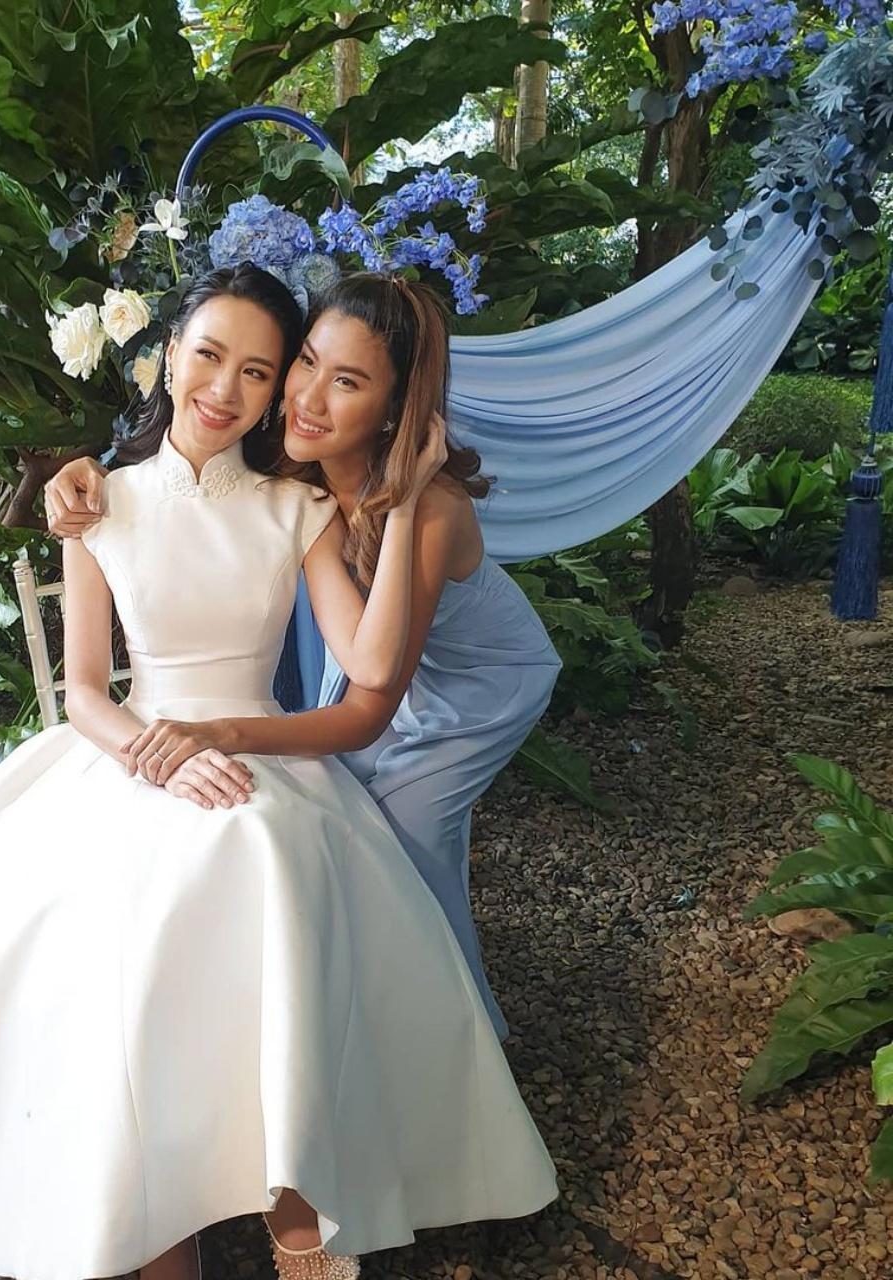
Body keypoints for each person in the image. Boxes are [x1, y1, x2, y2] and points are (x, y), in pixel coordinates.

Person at [0, 264, 558, 1280]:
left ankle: (298, 1212)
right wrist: (154, 756)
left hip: (260, 754)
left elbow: (370, 669)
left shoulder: (296, 505)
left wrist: (409, 497)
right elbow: (85, 689)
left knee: (267, 861)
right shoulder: (96, 505)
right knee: (103, 934)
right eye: (210, 355)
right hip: (132, 756)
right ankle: (153, 1221)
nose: (230, 387)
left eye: (259, 371)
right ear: (166, 356)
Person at [45, 272, 562, 1042]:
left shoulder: (411, 508)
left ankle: (454, 1042)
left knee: (404, 837)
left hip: (477, 680)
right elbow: (182, 487)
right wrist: (84, 468)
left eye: (345, 381)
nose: (309, 398)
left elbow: (372, 689)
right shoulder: (297, 466)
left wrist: (407, 496)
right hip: (352, 673)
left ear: (394, 408)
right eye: (307, 365)